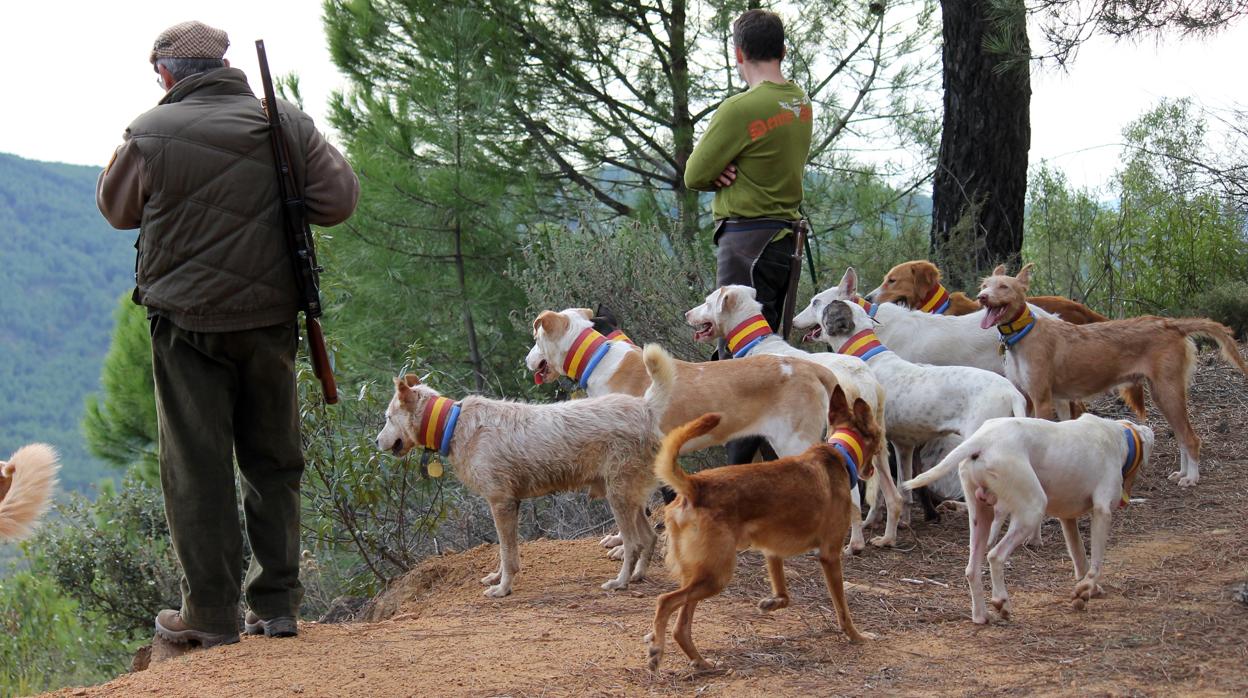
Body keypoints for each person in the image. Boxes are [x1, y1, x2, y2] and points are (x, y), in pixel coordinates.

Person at [97, 20, 359, 648]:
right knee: (273, 459)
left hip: (184, 326)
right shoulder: (284, 122)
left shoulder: (149, 131)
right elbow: (339, 200)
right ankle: (277, 605)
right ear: (225, 64)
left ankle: (209, 616)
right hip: (270, 321)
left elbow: (115, 209)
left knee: (197, 467)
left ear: (166, 73)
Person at [684, 9, 813, 464]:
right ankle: (779, 484)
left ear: (738, 53)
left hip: (745, 245)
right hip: (784, 245)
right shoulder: (800, 103)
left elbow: (695, 173)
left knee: (740, 369)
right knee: (769, 362)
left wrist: (720, 172)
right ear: (782, 50)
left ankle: (735, 485)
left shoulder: (741, 108)